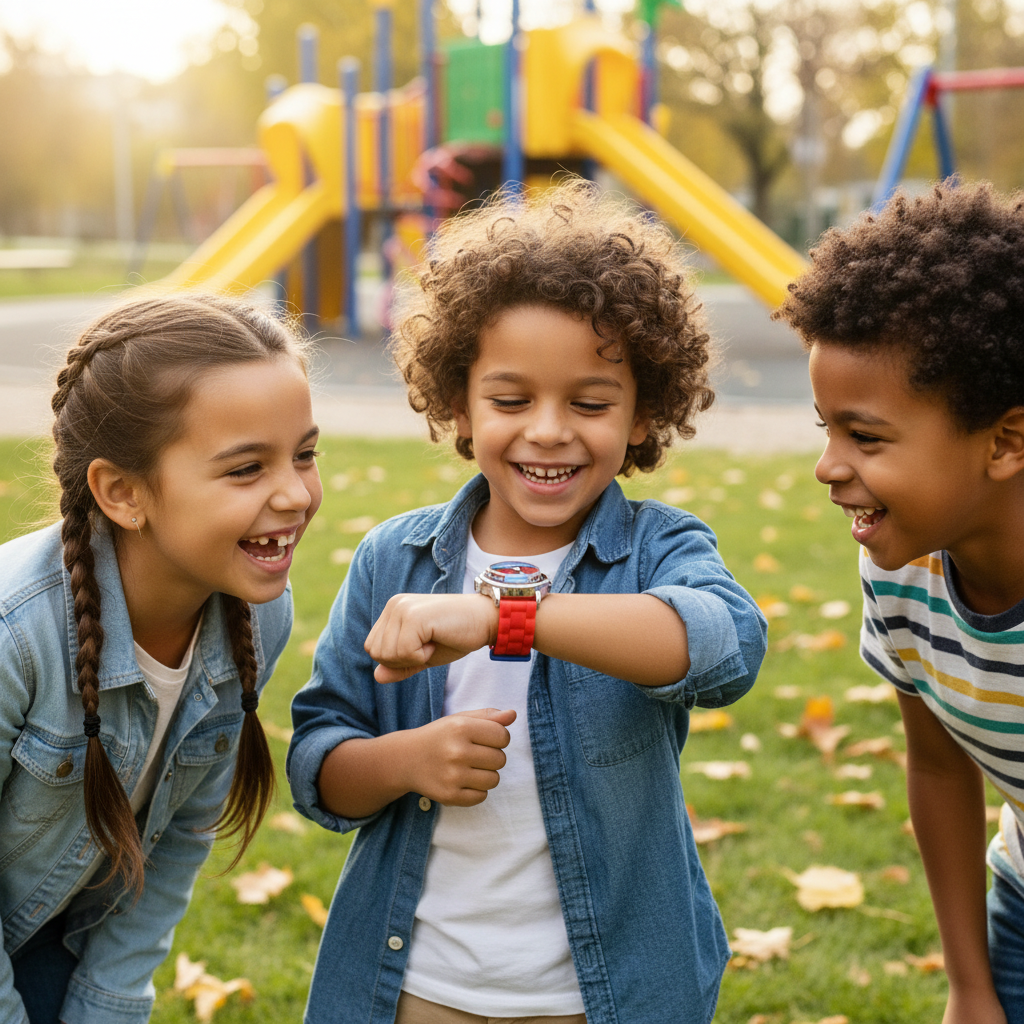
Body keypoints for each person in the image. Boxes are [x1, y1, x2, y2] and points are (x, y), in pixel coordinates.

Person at [288, 180, 767, 1024]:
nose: (548, 430)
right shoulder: (393, 560)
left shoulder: (656, 548)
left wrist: (507, 618)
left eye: (589, 403)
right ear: (460, 406)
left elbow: (723, 646)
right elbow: (318, 764)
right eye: (511, 401)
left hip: (606, 990)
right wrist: (406, 762)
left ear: (644, 411)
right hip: (417, 986)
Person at [0, 292, 323, 1024]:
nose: (295, 493)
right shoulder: (13, 637)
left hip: (51, 926)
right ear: (122, 492)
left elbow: (176, 841)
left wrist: (109, 1006)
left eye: (304, 454)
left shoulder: (258, 615)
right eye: (246, 469)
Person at [775, 182, 1024, 1024]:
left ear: (1004, 442)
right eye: (826, 430)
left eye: (866, 436)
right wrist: (969, 984)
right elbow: (937, 765)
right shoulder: (901, 574)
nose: (829, 467)